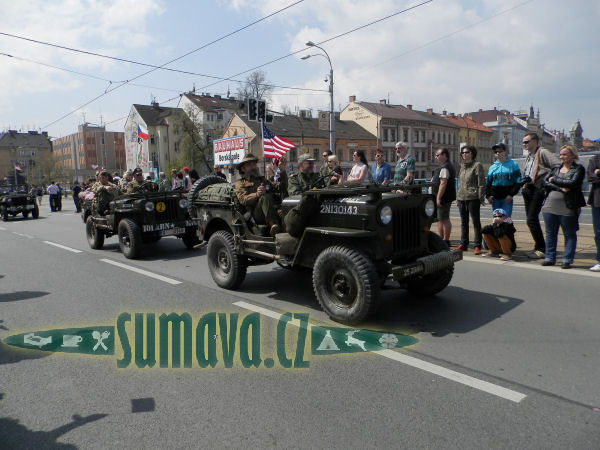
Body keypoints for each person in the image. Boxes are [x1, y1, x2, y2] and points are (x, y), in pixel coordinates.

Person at [541, 145, 586, 269]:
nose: (562, 157)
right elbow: (544, 182)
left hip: (568, 205)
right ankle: (549, 257)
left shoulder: (578, 169)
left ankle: (567, 259)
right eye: (560, 154)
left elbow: (573, 183)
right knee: (550, 233)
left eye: (565, 154)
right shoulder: (555, 168)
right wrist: (560, 187)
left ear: (573, 155)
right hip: (550, 206)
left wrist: (553, 180)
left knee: (569, 234)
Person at [521, 132, 561, 259]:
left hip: (537, 189)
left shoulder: (542, 152)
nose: (524, 144)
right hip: (528, 189)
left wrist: (546, 179)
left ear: (535, 141)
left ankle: (542, 248)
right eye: (523, 142)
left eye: (526, 141)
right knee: (531, 220)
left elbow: (557, 165)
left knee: (531, 219)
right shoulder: (529, 155)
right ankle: (538, 246)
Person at [234, 154, 284, 237]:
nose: (253, 167)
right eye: (249, 165)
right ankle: (273, 225)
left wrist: (282, 171)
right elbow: (243, 199)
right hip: (254, 214)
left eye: (254, 164)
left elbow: (280, 187)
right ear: (243, 168)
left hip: (270, 209)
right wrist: (257, 194)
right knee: (264, 197)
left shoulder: (262, 180)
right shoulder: (240, 183)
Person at [455, 145, 486, 255]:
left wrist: (481, 198)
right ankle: (464, 244)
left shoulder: (477, 165)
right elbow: (459, 183)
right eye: (462, 153)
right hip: (462, 197)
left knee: (476, 222)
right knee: (464, 222)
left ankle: (477, 245)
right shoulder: (462, 166)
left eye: (467, 152)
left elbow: (481, 183)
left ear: (472, 154)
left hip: (473, 198)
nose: (464, 154)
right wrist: (457, 198)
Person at [285, 154, 320, 237]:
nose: (312, 165)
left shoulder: (317, 177)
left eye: (312, 163)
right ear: (301, 164)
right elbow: (295, 195)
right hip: (301, 213)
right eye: (309, 163)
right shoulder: (294, 179)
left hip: (318, 209)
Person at [485, 143, 522, 217]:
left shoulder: (513, 165)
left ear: (505, 151)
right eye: (496, 152)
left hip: (507, 198)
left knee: (506, 220)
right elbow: (488, 183)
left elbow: (518, 181)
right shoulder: (492, 167)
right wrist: (488, 196)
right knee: (497, 220)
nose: (498, 153)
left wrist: (511, 195)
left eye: (500, 151)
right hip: (494, 198)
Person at [431, 148, 456, 248]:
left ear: (445, 155)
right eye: (436, 155)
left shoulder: (445, 167)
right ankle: (442, 238)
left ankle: (445, 240)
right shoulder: (445, 166)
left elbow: (443, 183)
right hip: (444, 197)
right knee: (440, 219)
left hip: (443, 197)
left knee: (444, 218)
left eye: (437, 155)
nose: (436, 157)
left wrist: (438, 198)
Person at [586, 152, 600, 272]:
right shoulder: (595, 159)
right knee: (598, 232)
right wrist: (595, 173)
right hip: (597, 201)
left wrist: (598, 173)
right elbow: (590, 177)